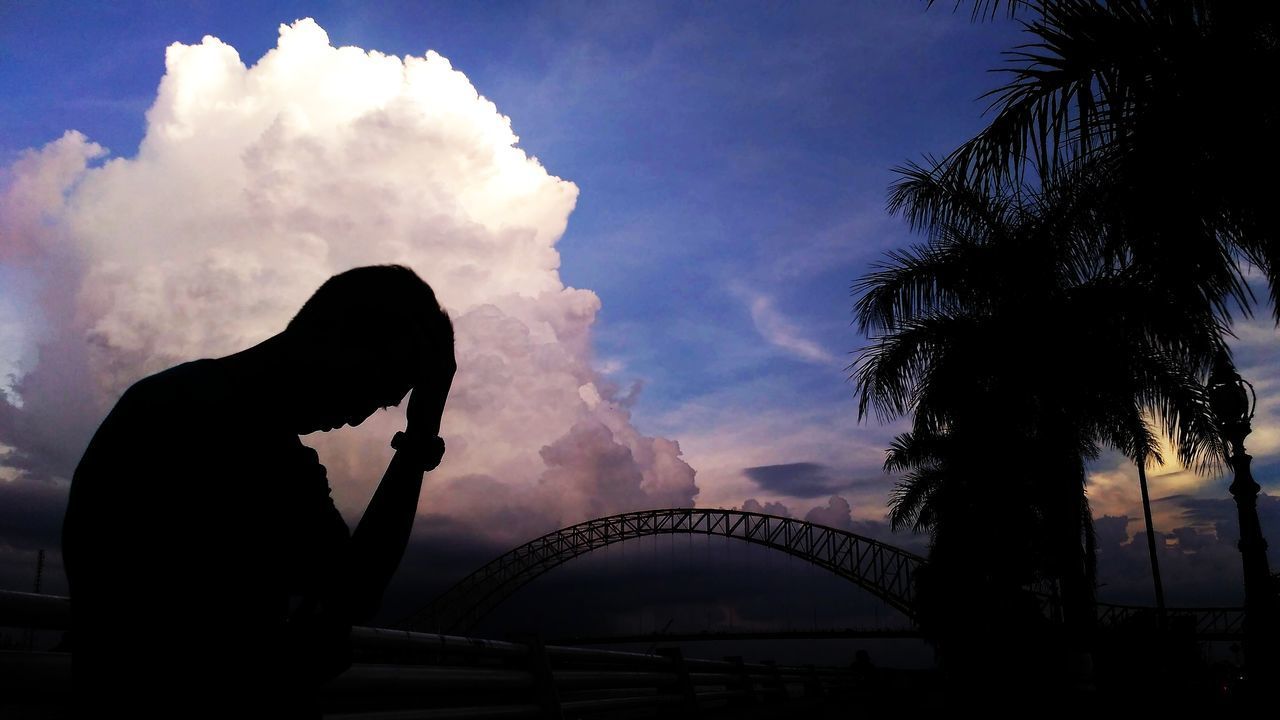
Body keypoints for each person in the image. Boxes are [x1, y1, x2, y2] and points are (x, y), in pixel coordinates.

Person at [60, 264, 456, 717]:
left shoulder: (170, 402)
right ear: (340, 340)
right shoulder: (250, 442)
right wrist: (420, 435)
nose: (359, 416)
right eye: (376, 389)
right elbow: (356, 592)